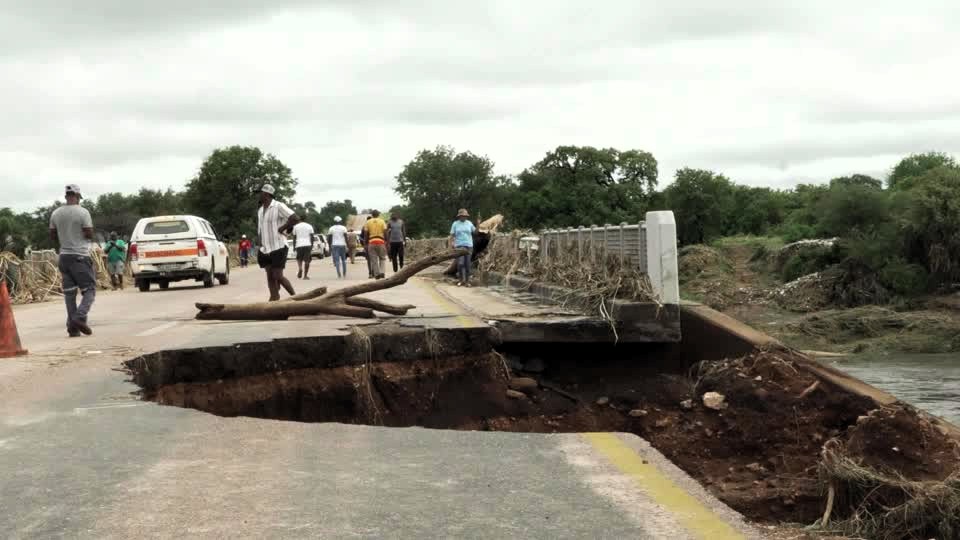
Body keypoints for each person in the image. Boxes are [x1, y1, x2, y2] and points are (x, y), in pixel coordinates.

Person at [49, 184, 96, 337]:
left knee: (70, 294)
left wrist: (65, 238)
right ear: (77, 196)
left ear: (66, 196)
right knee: (89, 290)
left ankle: (72, 328)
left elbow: (53, 235)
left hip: (64, 257)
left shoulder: (56, 213)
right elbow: (88, 233)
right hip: (80, 256)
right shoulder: (83, 212)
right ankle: (79, 317)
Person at [257, 184, 299, 301]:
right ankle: (274, 298)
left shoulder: (278, 206)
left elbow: (295, 218)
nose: (259, 195)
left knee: (278, 276)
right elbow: (260, 229)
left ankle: (296, 298)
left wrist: (283, 227)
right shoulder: (260, 210)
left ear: (266, 194)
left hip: (279, 246)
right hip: (266, 248)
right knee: (270, 276)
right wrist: (260, 244)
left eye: (260, 193)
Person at [449, 208, 476, 287]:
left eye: (465, 216)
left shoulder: (469, 223)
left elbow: (475, 232)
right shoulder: (455, 224)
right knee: (460, 264)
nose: (464, 217)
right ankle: (461, 280)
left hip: (469, 246)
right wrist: (451, 245)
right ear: (459, 216)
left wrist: (478, 224)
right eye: (462, 216)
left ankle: (467, 281)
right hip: (459, 246)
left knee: (467, 264)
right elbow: (452, 235)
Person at [362, 210, 389, 279]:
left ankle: (376, 274)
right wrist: (387, 242)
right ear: (378, 214)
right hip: (381, 242)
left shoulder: (368, 222)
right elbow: (385, 232)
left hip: (371, 242)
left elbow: (366, 234)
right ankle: (382, 272)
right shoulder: (382, 221)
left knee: (374, 259)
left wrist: (365, 244)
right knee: (382, 258)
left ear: (372, 215)